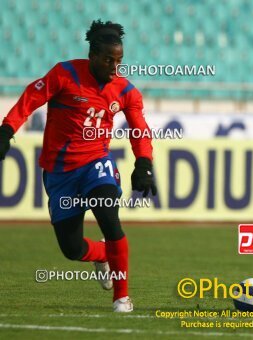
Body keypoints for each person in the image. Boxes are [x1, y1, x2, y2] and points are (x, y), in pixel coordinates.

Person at [0, 20, 157, 312]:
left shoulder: (126, 91)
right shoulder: (66, 74)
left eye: (119, 60)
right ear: (93, 56)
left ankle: (121, 297)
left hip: (96, 164)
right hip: (59, 173)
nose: (115, 67)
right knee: (72, 249)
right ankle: (102, 255)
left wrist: (144, 163)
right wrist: (7, 130)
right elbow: (30, 98)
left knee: (110, 219)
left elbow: (139, 130)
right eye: (109, 60)